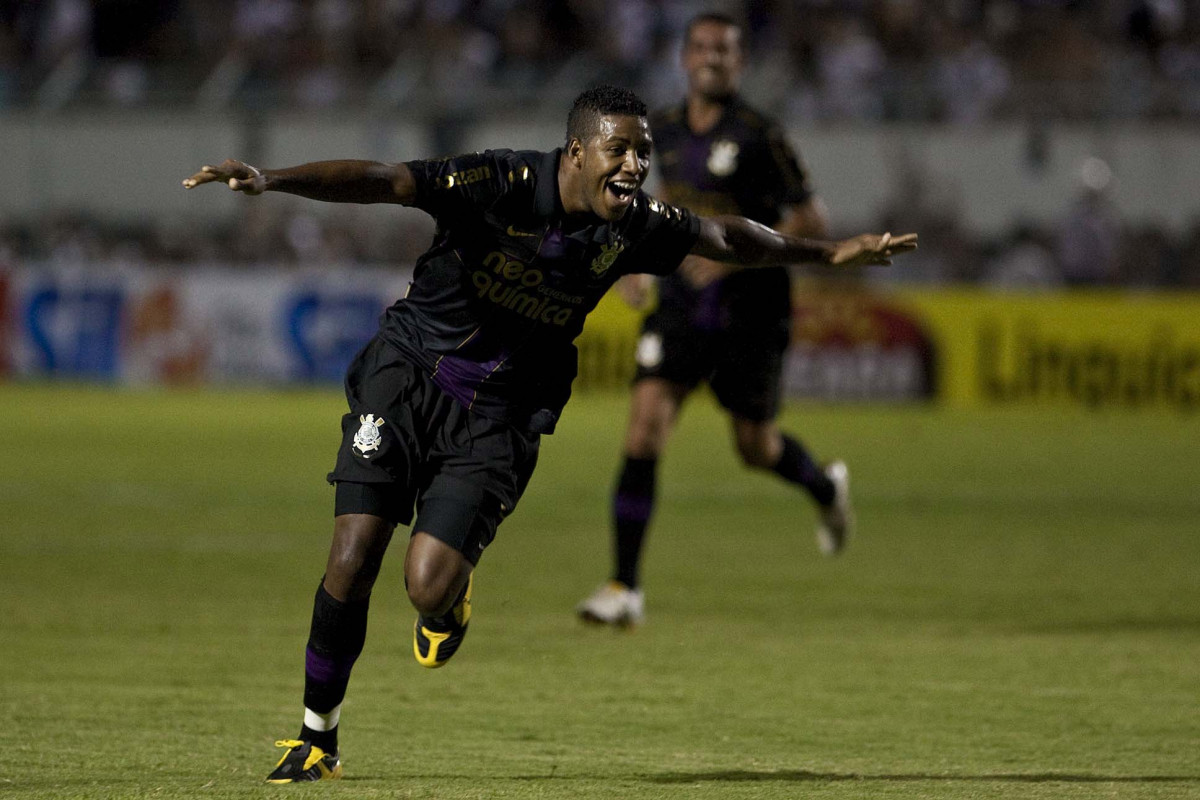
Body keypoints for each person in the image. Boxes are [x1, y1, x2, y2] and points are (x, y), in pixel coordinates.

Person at [182, 84, 915, 783]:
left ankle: (450, 600)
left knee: (426, 585)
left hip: (503, 412)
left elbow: (724, 235)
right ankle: (318, 738)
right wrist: (269, 179)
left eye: (643, 152)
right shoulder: (496, 180)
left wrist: (828, 254)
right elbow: (385, 179)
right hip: (406, 377)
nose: (634, 165)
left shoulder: (633, 226)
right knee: (352, 553)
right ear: (575, 152)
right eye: (620, 150)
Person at [577, 13, 851, 628]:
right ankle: (625, 588)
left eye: (723, 50)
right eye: (701, 47)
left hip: (751, 307)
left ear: (740, 61)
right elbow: (657, 204)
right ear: (683, 57)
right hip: (680, 303)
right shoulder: (661, 130)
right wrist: (637, 261)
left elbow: (812, 219)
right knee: (644, 427)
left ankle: (826, 489)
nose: (711, 58)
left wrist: (731, 263)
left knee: (754, 446)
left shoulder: (761, 134)